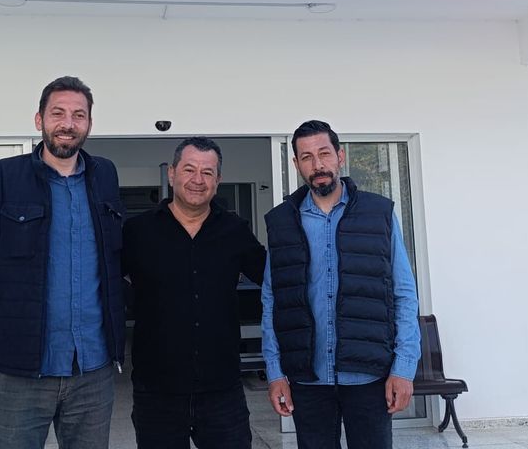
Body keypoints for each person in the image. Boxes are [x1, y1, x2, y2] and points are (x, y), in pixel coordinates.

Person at [0, 76, 125, 449]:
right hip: (18, 375)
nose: (68, 123)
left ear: (89, 124)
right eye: (58, 113)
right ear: (39, 120)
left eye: (79, 115)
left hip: (92, 373)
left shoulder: (105, 176)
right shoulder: (2, 177)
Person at [260, 120, 421, 449]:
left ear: (340, 156)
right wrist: (275, 372)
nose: (317, 165)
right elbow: (272, 300)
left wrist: (404, 368)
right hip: (308, 378)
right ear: (296, 164)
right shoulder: (282, 221)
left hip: (368, 374)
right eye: (307, 157)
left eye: (324, 154)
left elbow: (404, 294)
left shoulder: (378, 213)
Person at [122, 137, 267, 448]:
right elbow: (106, 284)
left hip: (222, 389)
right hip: (156, 390)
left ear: (218, 180)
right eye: (189, 169)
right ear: (172, 173)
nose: (198, 180)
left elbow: (274, 278)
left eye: (207, 172)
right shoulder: (138, 232)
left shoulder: (234, 230)